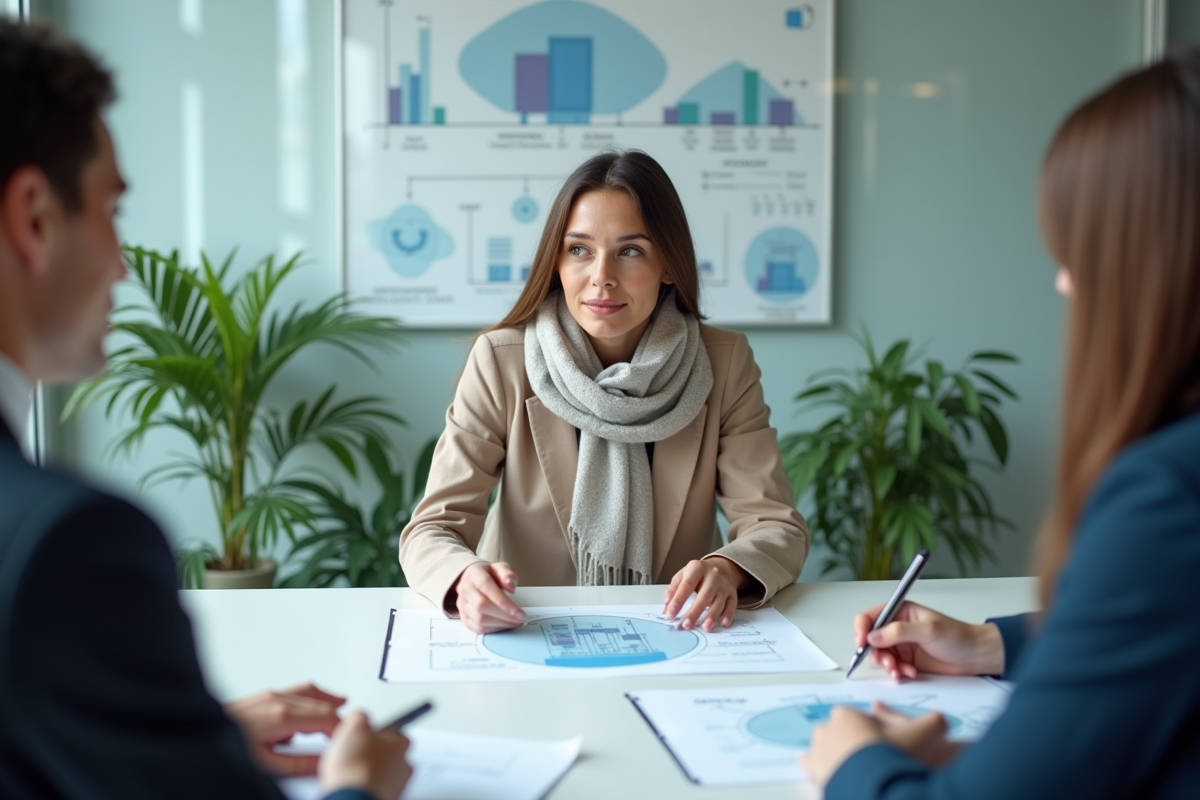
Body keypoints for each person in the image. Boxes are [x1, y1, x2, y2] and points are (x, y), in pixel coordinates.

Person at [0, 19, 410, 800]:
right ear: (34, 217)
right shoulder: (67, 547)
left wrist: (170, 734)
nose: (122, 264)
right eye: (111, 212)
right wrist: (361, 786)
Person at [802, 49, 1200, 799]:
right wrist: (990, 643)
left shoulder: (1169, 495)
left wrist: (854, 765)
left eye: (1080, 247)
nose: (1064, 280)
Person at [400, 149, 809, 634]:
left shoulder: (724, 361)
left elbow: (775, 525)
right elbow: (431, 530)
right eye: (579, 250)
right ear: (557, 262)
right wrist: (465, 579)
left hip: (675, 631)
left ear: (669, 265)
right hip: (525, 630)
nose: (601, 276)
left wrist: (728, 568)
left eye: (630, 250)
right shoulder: (501, 359)